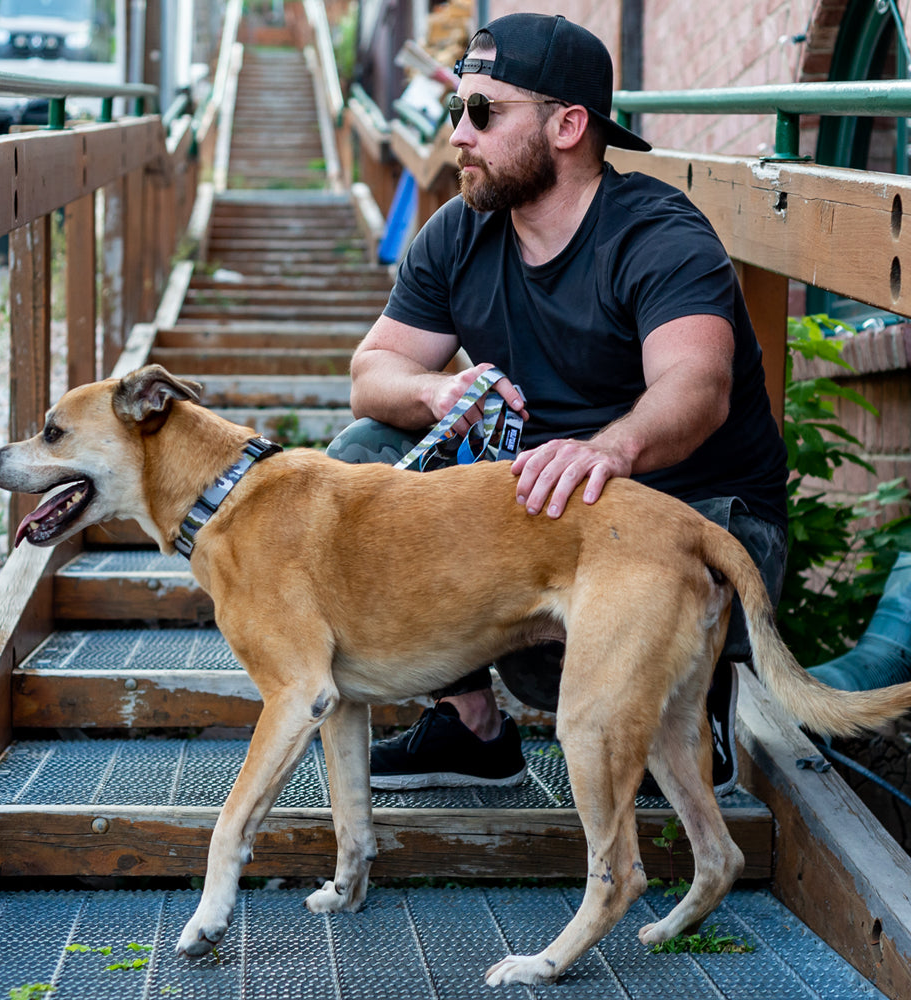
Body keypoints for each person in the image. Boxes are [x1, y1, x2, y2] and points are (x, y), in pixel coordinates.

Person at [326, 11, 788, 798]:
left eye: (483, 112)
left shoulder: (656, 235)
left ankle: (686, 709)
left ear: (569, 124)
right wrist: (436, 389)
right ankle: (469, 722)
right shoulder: (459, 233)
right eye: (454, 112)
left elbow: (697, 389)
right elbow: (372, 372)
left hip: (696, 527)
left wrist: (608, 450)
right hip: (546, 524)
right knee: (360, 460)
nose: (459, 136)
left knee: (644, 765)